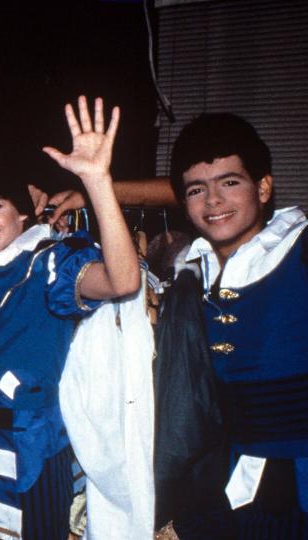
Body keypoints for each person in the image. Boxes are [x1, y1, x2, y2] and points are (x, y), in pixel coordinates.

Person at [0, 97, 140, 539]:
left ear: (23, 209)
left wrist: (97, 182)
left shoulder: (50, 264)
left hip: (42, 450)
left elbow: (123, 281)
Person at [164, 113, 307, 539]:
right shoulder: (192, 268)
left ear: (264, 187)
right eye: (197, 190)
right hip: (227, 473)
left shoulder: (299, 251)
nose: (213, 201)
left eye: (230, 183)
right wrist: (90, 192)